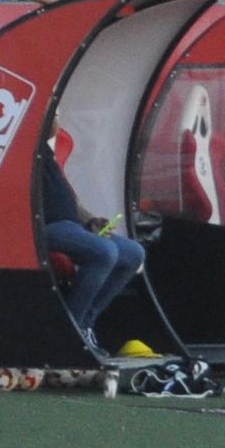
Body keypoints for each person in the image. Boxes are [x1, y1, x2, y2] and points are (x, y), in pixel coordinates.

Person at [35, 137, 145, 355]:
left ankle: (86, 323)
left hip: (73, 226)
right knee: (105, 252)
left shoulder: (49, 151)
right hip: (46, 226)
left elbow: (72, 201)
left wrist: (91, 220)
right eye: (55, 114)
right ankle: (70, 330)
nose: (57, 118)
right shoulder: (27, 149)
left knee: (134, 253)